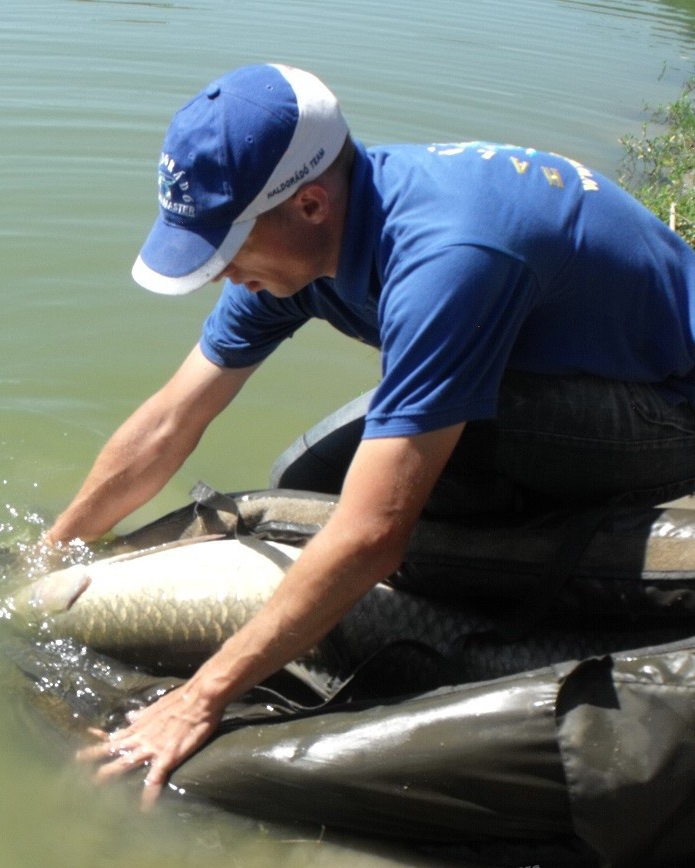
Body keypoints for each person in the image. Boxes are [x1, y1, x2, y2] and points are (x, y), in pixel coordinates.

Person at [44, 63, 695, 808]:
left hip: (667, 406)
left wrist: (199, 698)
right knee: (303, 483)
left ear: (310, 204)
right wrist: (57, 545)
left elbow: (373, 533)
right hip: (551, 372)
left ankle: (527, 590)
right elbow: (170, 419)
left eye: (227, 251)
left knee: (402, 501)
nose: (224, 275)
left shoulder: (447, 258)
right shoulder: (303, 244)